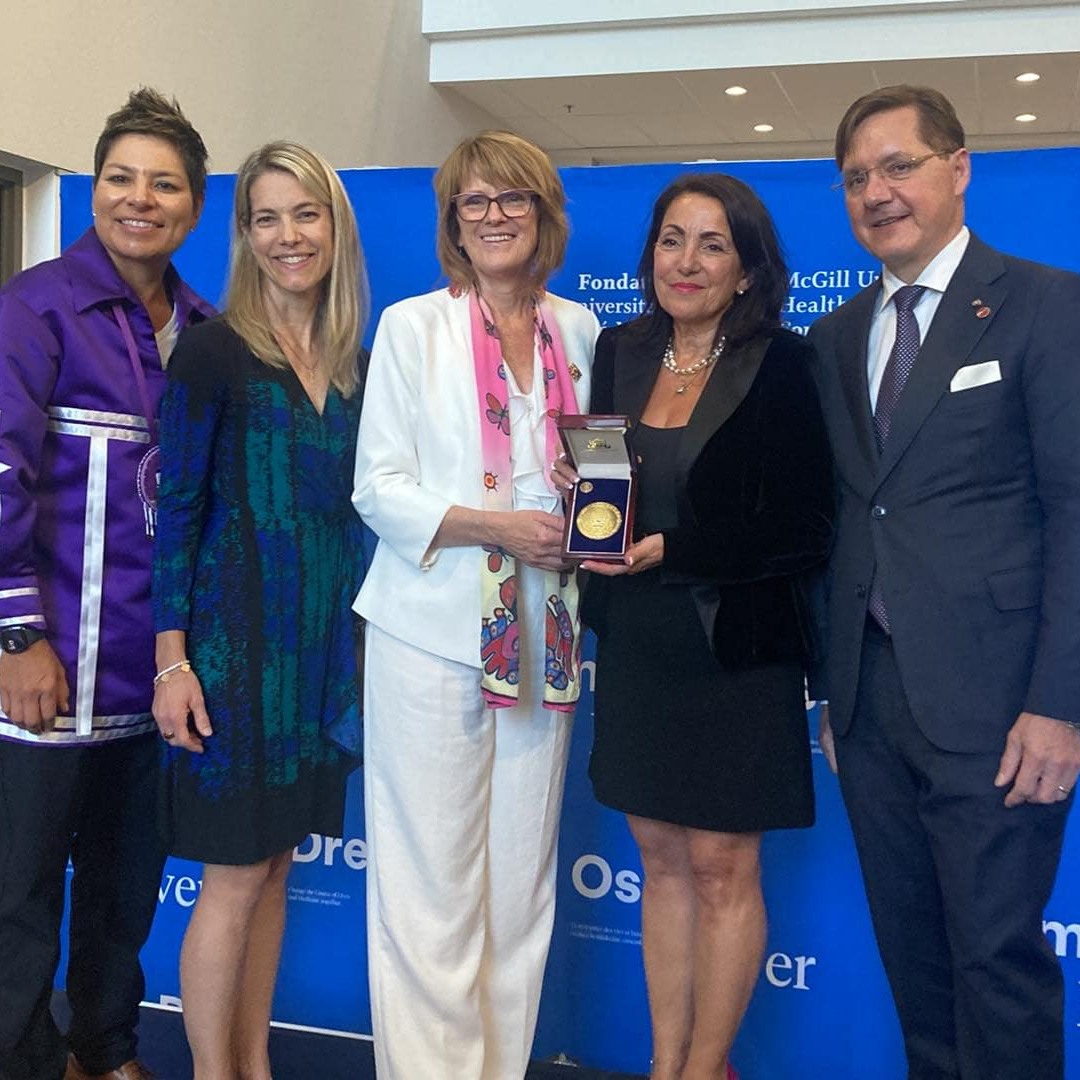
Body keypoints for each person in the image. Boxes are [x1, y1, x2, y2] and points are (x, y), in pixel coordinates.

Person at [809, 84, 1080, 1079]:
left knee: (997, 965)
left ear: (958, 169)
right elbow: (851, 515)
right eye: (856, 178)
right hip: (872, 710)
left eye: (899, 166)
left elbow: (1076, 511)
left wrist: (1060, 704)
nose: (877, 192)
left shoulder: (1049, 305)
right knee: (915, 968)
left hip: (1002, 710)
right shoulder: (838, 337)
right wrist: (836, 692)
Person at [553, 173, 832, 1080]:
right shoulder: (622, 351)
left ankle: (707, 1066)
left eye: (713, 244)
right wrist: (580, 500)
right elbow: (605, 478)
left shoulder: (785, 363)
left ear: (748, 269)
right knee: (660, 860)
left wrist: (675, 548)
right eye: (673, 239)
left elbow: (803, 525)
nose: (688, 261)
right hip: (636, 643)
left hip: (735, 649)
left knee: (719, 864)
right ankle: (664, 1061)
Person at [352, 130, 598, 1079]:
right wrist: (496, 526)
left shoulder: (577, 331)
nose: (494, 216)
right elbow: (378, 488)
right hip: (432, 629)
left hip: (551, 631)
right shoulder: (415, 327)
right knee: (430, 885)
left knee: (520, 885)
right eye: (474, 201)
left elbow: (594, 468)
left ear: (544, 215)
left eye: (514, 199)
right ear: (454, 220)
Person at [0, 89, 213, 1080]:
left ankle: (104, 1045)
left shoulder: (205, 328)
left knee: (127, 887)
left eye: (163, 183)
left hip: (153, 672)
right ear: (94, 193)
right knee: (21, 890)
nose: (141, 199)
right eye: (121, 178)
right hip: (48, 665)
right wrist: (15, 637)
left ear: (194, 205)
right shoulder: (36, 305)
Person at [150, 141, 367, 1080]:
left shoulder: (357, 362)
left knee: (277, 868)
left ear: (334, 226)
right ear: (244, 235)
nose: (288, 235)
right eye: (266, 217)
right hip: (231, 659)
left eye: (305, 214)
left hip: (321, 661)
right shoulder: (210, 350)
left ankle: (253, 1062)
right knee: (235, 877)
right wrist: (172, 661)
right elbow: (176, 515)